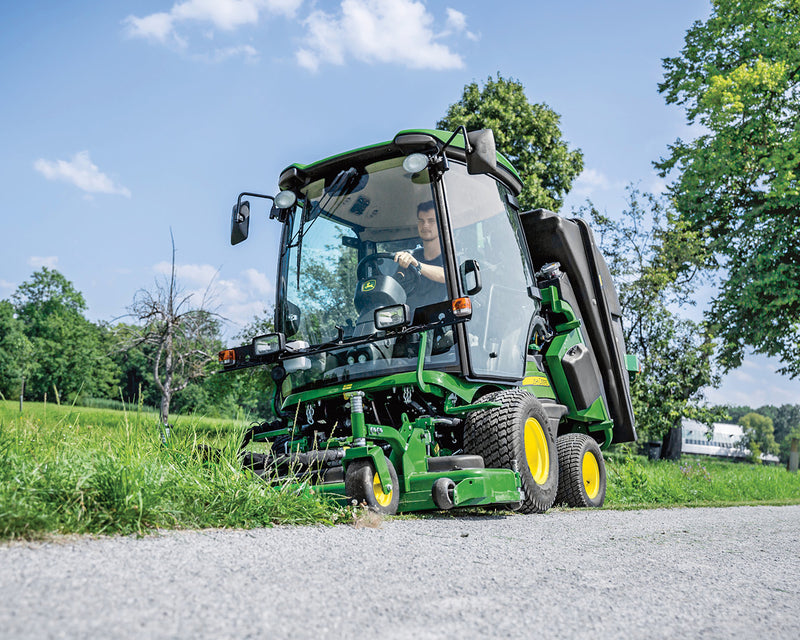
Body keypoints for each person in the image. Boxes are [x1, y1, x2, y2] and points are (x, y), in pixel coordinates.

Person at [394, 200, 446, 309]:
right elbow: (397, 287)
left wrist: (417, 265)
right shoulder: (411, 256)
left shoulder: (450, 256)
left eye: (431, 221)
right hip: (411, 321)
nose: (425, 225)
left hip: (445, 320)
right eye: (421, 221)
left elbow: (445, 276)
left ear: (441, 224)